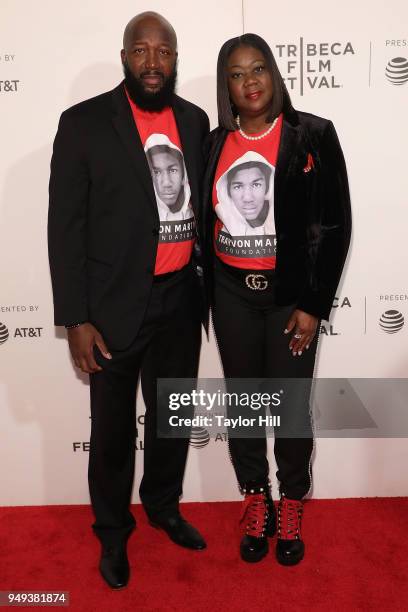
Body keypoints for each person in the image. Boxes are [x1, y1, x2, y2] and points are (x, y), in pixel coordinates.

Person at [48, 11, 209, 589]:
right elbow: (64, 229)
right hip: (113, 309)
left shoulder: (194, 121)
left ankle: (163, 505)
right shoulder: (83, 123)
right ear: (123, 57)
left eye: (162, 51)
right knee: (113, 432)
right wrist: (75, 318)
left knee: (172, 418)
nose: (151, 62)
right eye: (140, 50)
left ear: (175, 58)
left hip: (179, 303)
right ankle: (113, 533)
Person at [201, 34, 351, 565]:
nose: (251, 81)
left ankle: (290, 501)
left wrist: (314, 304)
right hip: (231, 295)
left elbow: (333, 226)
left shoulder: (313, 135)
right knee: (243, 405)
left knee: (288, 407)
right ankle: (255, 499)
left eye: (259, 68)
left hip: (291, 301)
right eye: (237, 74)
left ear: (274, 74)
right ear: (228, 86)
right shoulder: (214, 144)